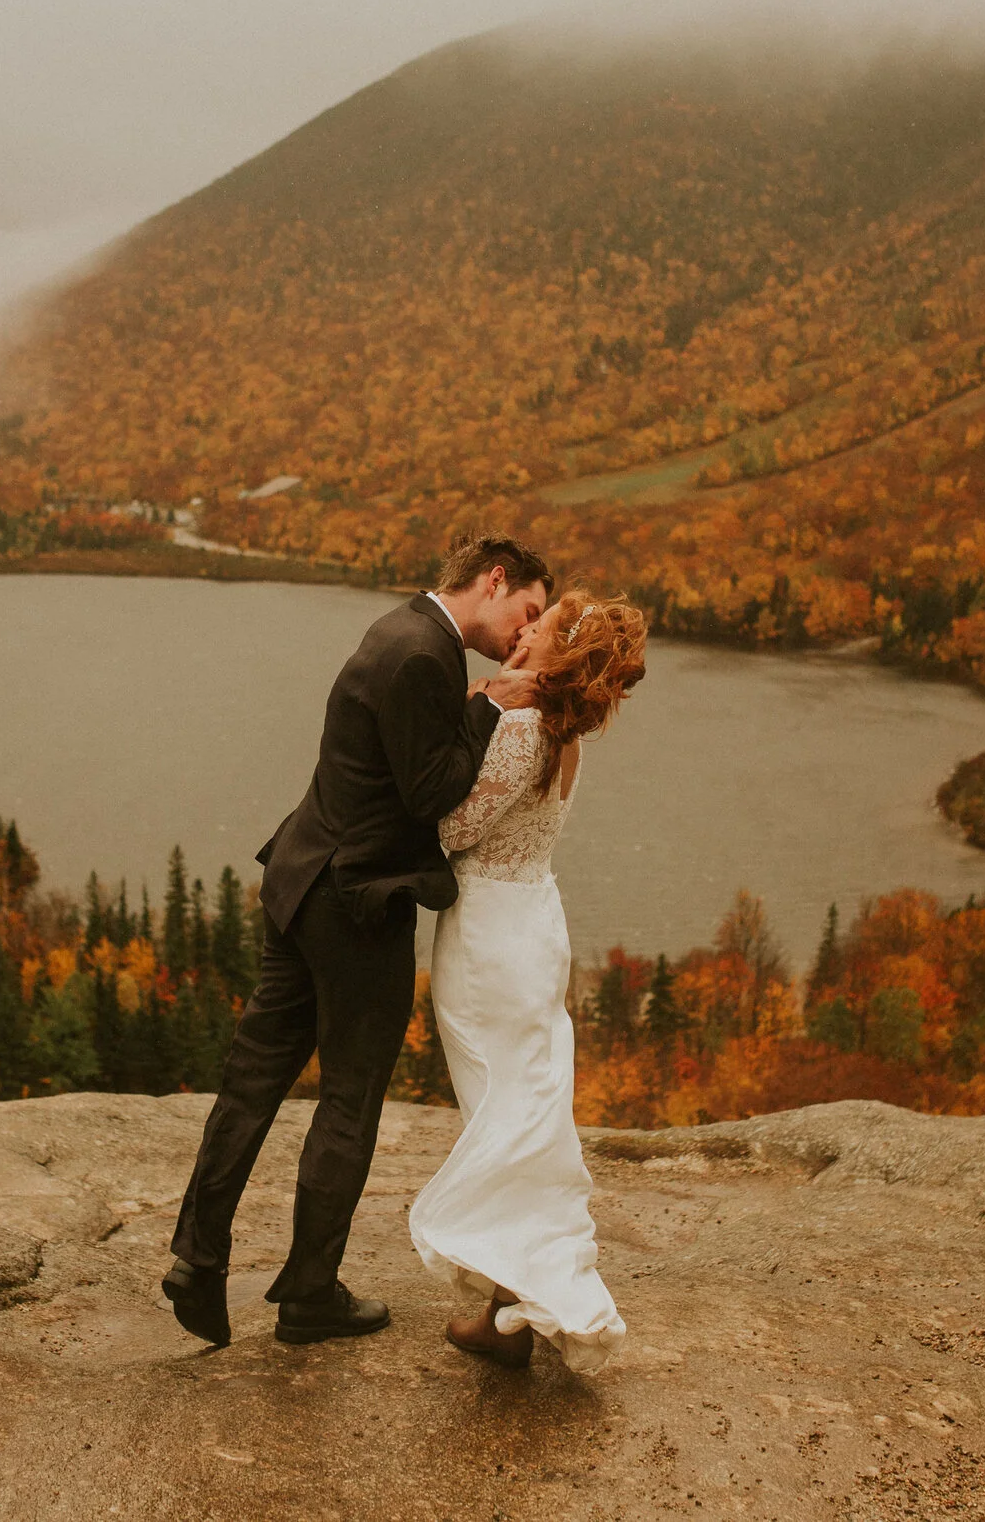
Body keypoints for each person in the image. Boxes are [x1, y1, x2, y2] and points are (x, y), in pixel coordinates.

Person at [162, 534, 554, 1347]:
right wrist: (491, 706)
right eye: (528, 608)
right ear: (494, 579)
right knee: (349, 1098)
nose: (528, 629)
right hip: (357, 904)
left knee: (252, 1079)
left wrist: (476, 699)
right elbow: (431, 795)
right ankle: (309, 1293)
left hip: (302, 878)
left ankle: (197, 1258)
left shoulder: (400, 629)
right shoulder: (424, 657)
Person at [409, 592, 647, 1372]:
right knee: (527, 1106)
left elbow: (453, 829)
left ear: (555, 653)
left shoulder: (519, 728)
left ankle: (515, 1307)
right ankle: (513, 1308)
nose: (521, 631)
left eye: (536, 629)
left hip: (491, 936)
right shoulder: (565, 735)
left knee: (502, 1110)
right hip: (534, 922)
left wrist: (474, 705)